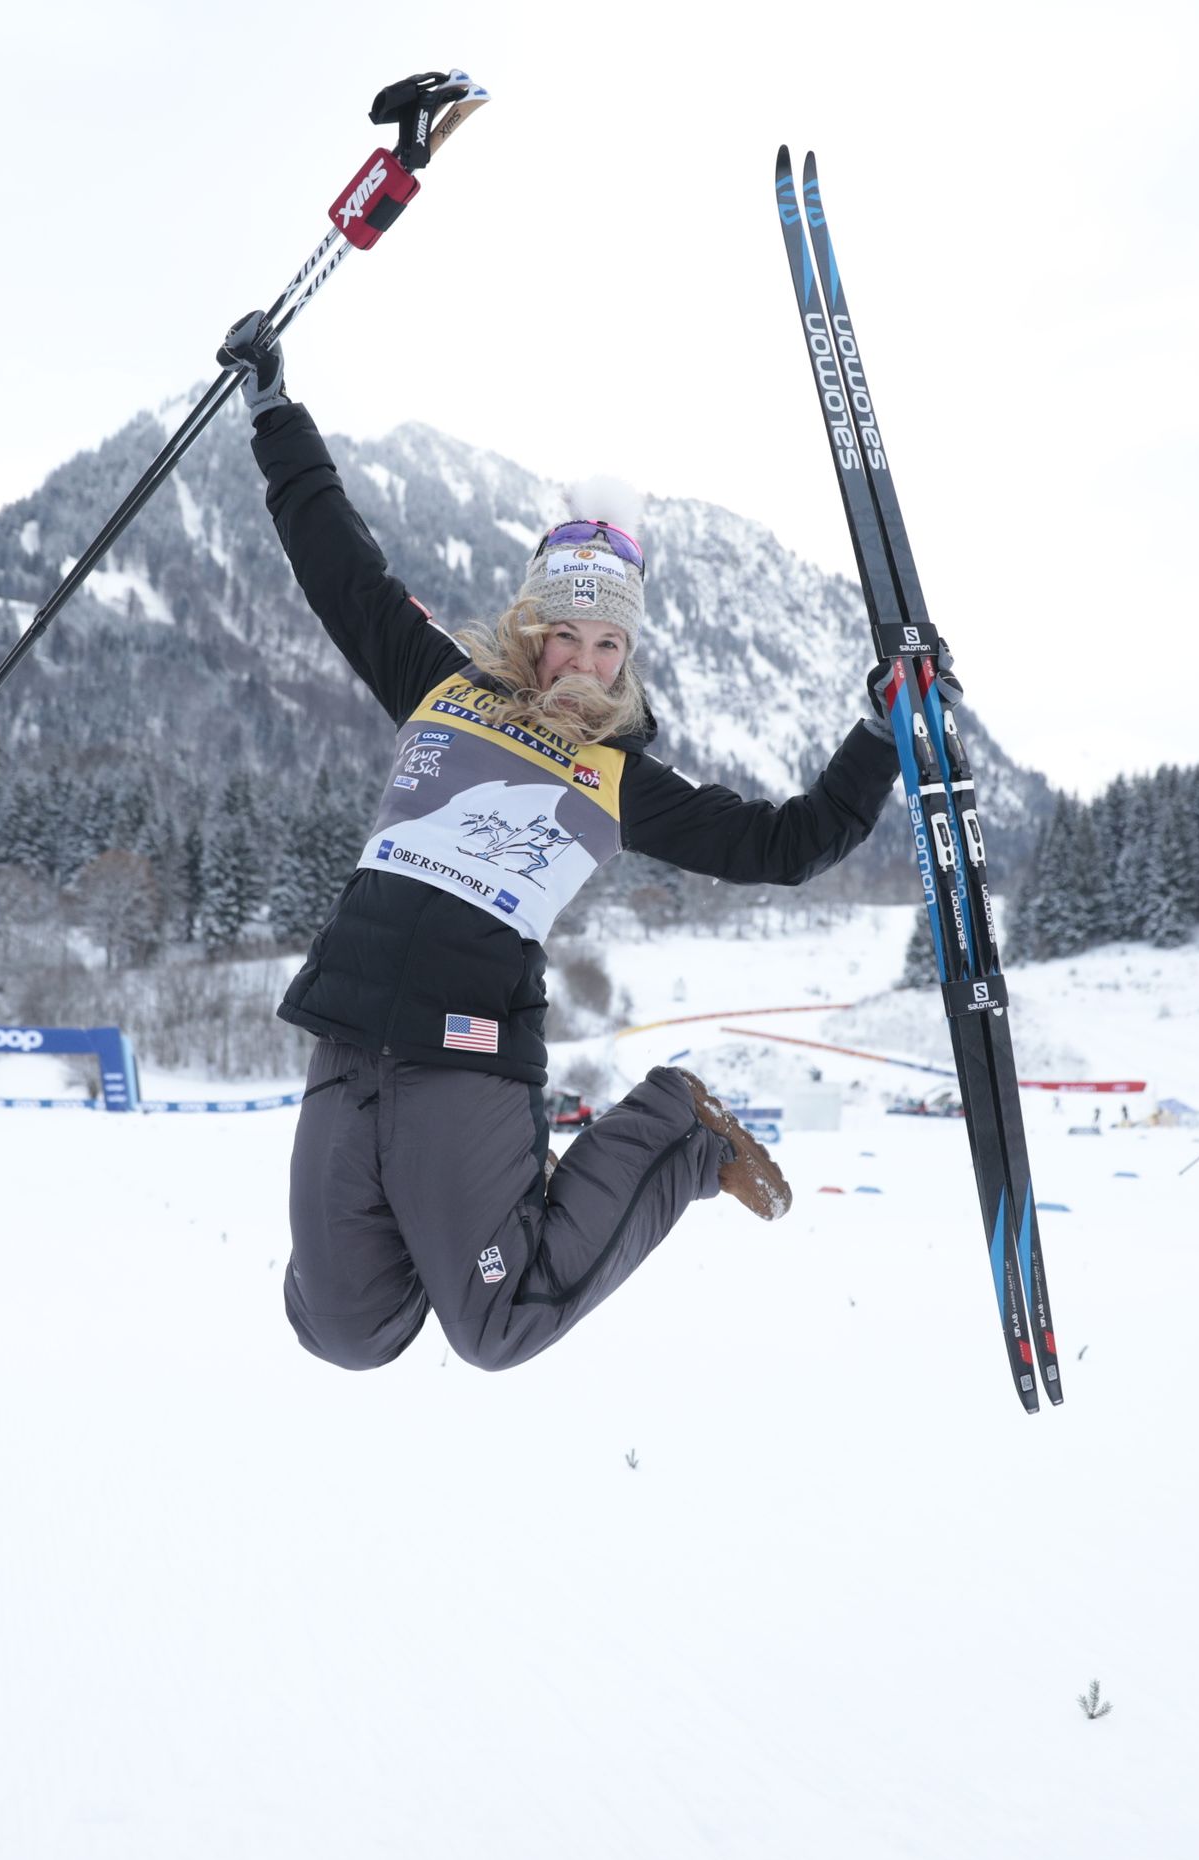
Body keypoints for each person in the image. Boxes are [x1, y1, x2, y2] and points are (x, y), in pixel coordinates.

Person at [223, 312, 898, 1374]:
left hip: (468, 1058)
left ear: (626, 656)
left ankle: (681, 1126)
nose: (584, 661)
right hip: (346, 1037)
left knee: (499, 1326)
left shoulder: (621, 779)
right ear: (531, 636)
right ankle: (424, 1232)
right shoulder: (439, 687)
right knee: (340, 1330)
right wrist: (274, 413)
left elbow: (787, 844)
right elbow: (338, 566)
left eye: (609, 643)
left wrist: (879, 738)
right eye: (566, 636)